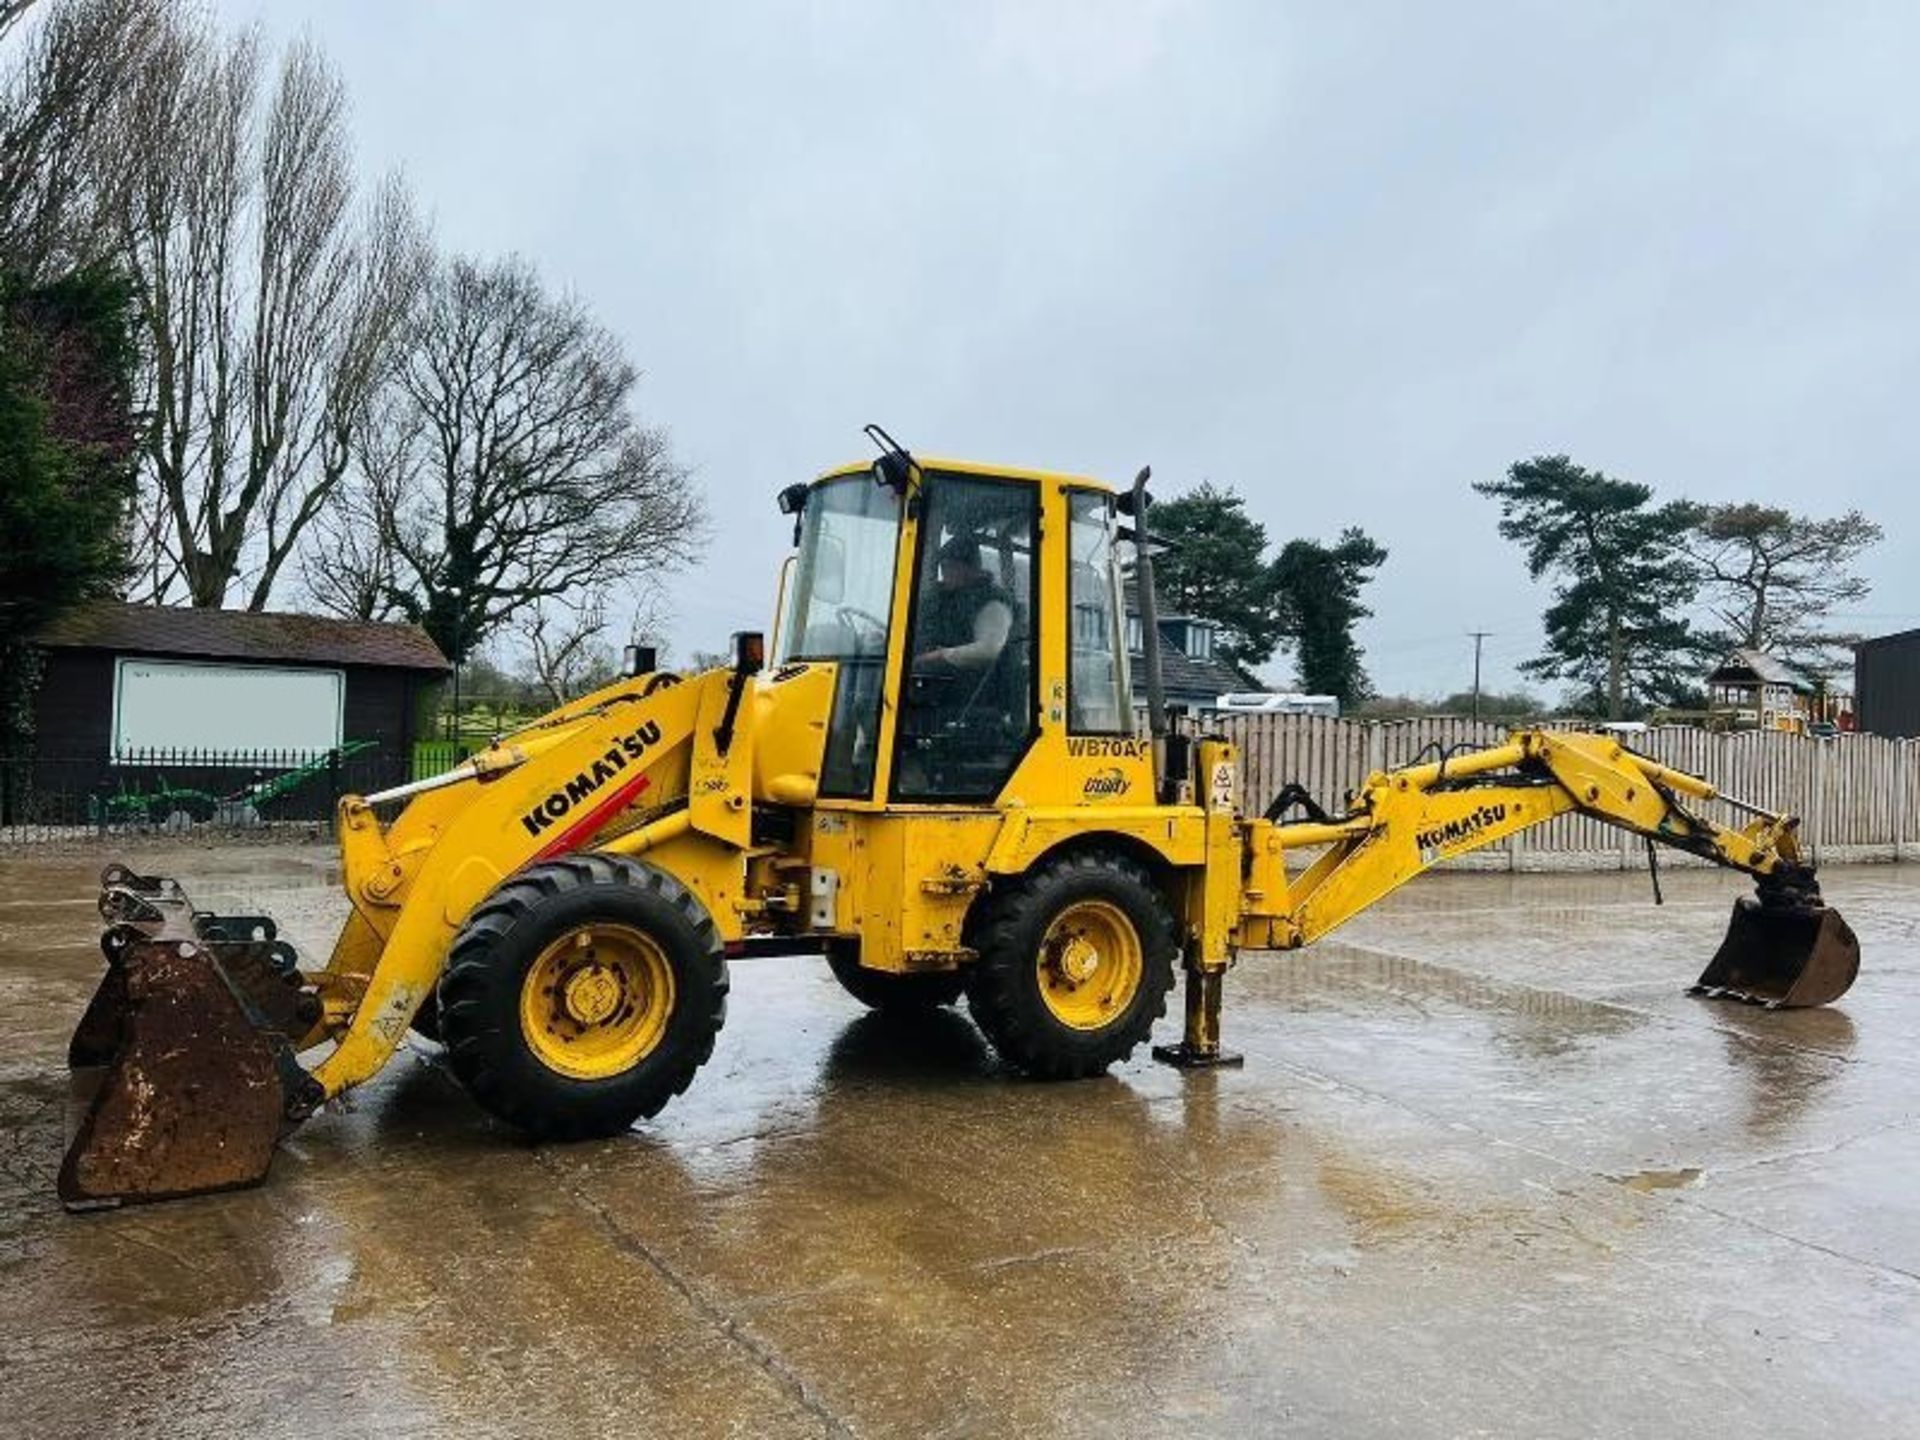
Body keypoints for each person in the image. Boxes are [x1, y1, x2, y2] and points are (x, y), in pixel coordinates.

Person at [915, 534, 1012, 674]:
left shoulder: (992, 603)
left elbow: (989, 649)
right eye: (943, 566)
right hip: (930, 682)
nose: (945, 572)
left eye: (951, 566)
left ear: (972, 569)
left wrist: (940, 655)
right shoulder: (936, 600)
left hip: (975, 689)